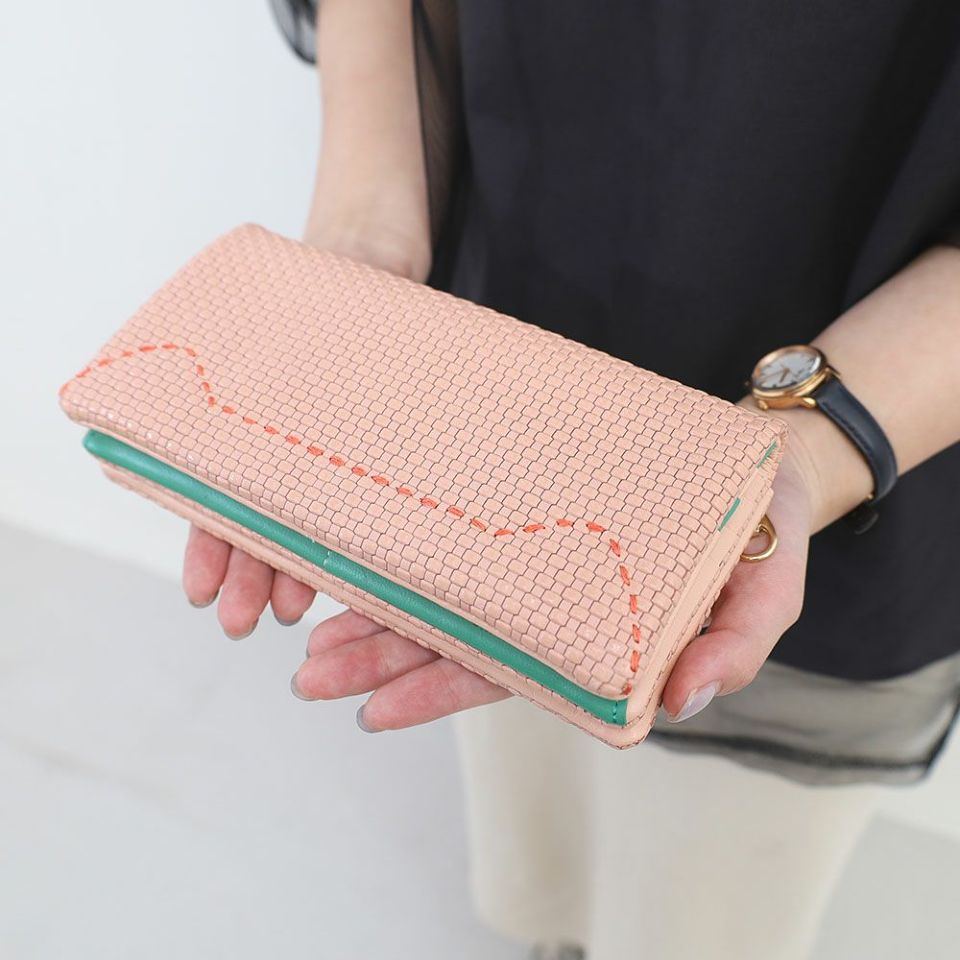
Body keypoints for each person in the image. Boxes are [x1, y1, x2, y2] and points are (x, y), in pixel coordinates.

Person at [182, 2, 960, 957]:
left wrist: (803, 450)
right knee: (532, 821)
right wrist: (364, 231)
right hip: (489, 397)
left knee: (705, 911)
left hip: (882, 417)